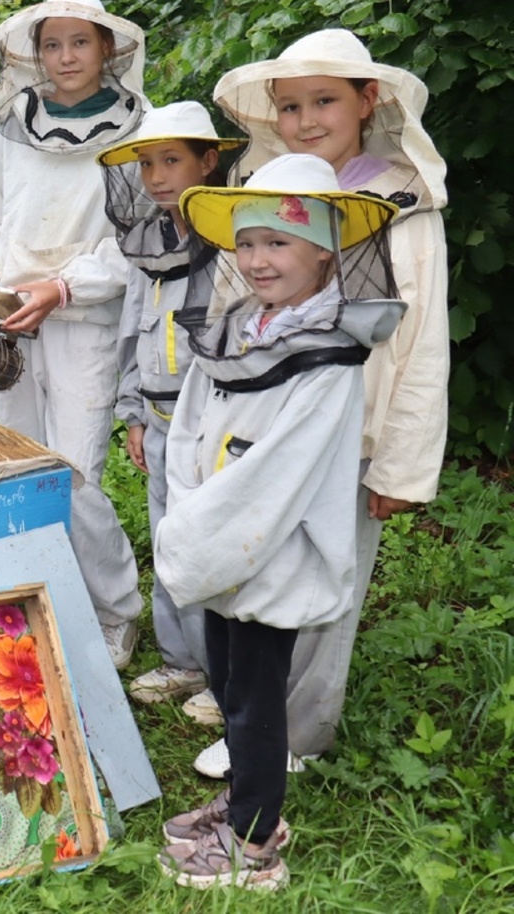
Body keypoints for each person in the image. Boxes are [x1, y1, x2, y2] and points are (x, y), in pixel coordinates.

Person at [185, 29, 450, 778]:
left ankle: (299, 734)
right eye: (291, 105)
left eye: (324, 101)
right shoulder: (270, 195)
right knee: (259, 564)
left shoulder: (405, 201)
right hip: (267, 424)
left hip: (353, 431)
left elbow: (422, 340)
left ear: (369, 101)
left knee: (328, 579)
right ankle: (251, 718)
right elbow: (236, 308)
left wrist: (399, 463)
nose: (306, 120)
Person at [153, 153, 403, 891]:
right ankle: (241, 804)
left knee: (259, 700)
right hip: (219, 540)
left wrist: (199, 536)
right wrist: (189, 511)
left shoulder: (331, 356)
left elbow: (279, 474)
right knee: (229, 682)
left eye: (279, 243)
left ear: (325, 249)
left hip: (271, 550)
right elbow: (193, 428)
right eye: (249, 242)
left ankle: (256, 843)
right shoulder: (241, 327)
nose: (259, 259)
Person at [0, 0, 146, 668]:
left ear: (108, 49)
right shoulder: (13, 128)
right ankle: (36, 600)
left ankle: (113, 611)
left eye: (80, 42)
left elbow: (138, 242)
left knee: (72, 476)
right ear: (34, 54)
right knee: (17, 466)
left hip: (84, 325)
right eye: (52, 44)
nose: (66, 57)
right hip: (10, 325)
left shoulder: (138, 132)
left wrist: (65, 286)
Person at [96, 101, 244, 705]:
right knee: (167, 538)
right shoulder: (146, 243)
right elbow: (135, 329)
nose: (157, 176)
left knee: (215, 540)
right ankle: (182, 660)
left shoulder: (234, 239)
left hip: (214, 420)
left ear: (208, 161)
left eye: (172, 161)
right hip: (157, 418)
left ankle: (224, 672)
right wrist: (132, 409)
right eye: (147, 163)